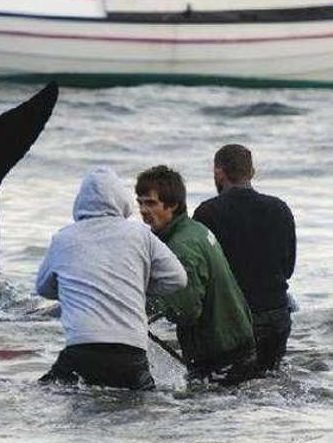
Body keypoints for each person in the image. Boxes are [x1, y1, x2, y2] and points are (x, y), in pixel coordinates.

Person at [36, 167, 187, 390]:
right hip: (131, 353)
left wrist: (77, 287)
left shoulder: (63, 238)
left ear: (80, 203)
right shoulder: (140, 234)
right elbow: (178, 279)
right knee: (140, 405)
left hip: (81, 349)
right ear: (122, 201)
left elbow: (43, 288)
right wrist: (138, 285)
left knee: (47, 392)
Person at [135, 165, 255, 384]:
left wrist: (145, 305)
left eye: (151, 203)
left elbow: (187, 311)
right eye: (140, 202)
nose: (143, 210)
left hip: (219, 355)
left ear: (172, 205)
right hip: (237, 341)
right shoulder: (195, 229)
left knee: (199, 414)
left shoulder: (182, 248)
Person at [193, 144, 296, 373]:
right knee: (268, 383)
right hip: (276, 317)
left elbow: (201, 274)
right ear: (252, 173)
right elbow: (287, 268)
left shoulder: (207, 213)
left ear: (219, 172)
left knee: (223, 389)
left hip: (233, 320)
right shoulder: (280, 209)